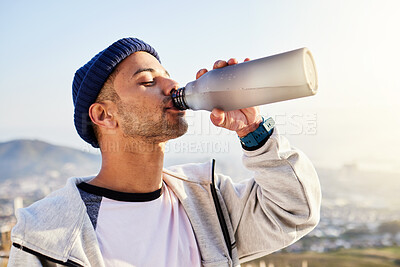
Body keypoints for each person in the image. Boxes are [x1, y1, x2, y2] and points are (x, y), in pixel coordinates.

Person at [9, 37, 321, 267]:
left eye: (167, 74)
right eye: (147, 81)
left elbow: (295, 212)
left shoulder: (209, 201)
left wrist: (252, 129)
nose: (172, 84)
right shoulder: (45, 234)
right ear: (104, 115)